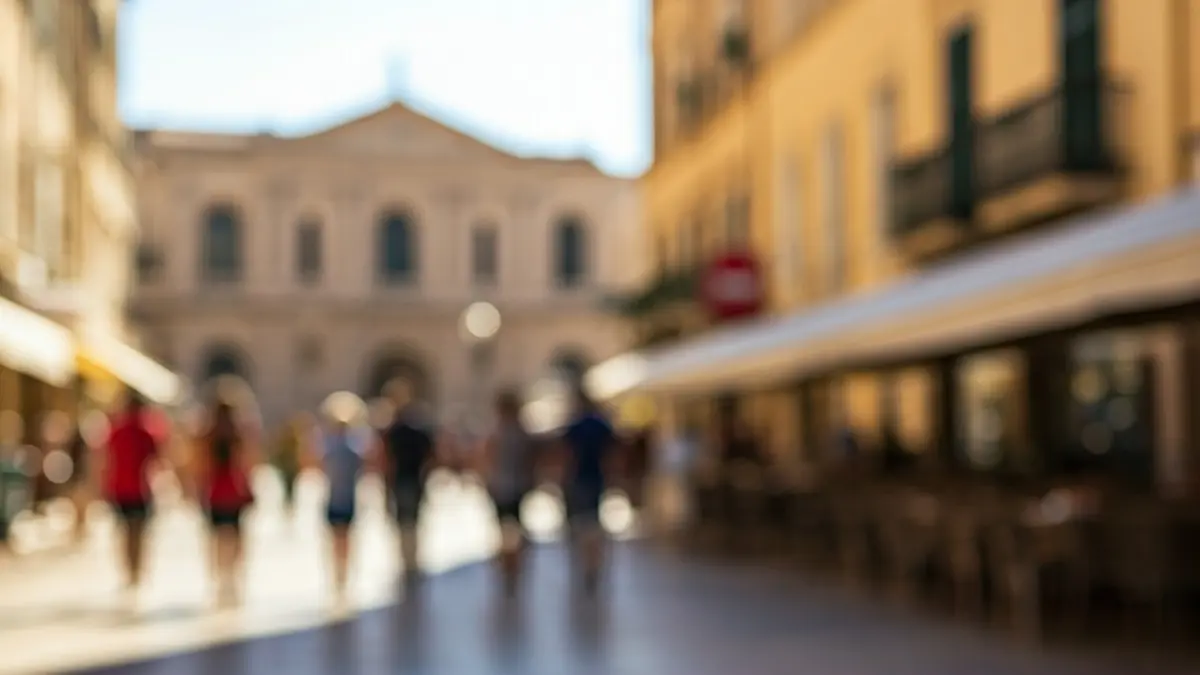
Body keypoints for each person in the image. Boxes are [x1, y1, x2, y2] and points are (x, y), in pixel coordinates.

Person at [99, 390, 165, 604]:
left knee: (125, 531)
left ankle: (128, 571)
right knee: (138, 532)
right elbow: (157, 460)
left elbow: (107, 460)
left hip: (120, 488)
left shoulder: (117, 431)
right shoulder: (146, 432)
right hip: (140, 489)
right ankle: (136, 570)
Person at [193, 399, 255, 606]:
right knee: (236, 536)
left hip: (215, 491)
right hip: (235, 491)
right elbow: (248, 461)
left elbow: (200, 463)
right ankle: (233, 576)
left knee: (216, 537)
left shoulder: (208, 434)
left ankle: (220, 576)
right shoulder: (239, 434)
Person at [560, 388, 619, 595]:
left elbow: (567, 455)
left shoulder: (575, 426)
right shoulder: (601, 425)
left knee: (581, 525)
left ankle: (587, 562)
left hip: (579, 480)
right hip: (596, 480)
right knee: (592, 523)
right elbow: (612, 454)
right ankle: (593, 563)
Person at [479, 389, 537, 596]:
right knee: (514, 526)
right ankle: (513, 563)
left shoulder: (498, 432)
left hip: (502, 485)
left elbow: (487, 458)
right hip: (516, 485)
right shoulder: (522, 432)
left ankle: (508, 563)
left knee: (505, 528)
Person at [312, 412, 374, 603]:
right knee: (343, 539)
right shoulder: (351, 448)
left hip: (339, 498)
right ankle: (341, 574)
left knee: (338, 539)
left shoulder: (333, 448)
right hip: (344, 498)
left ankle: (339, 574)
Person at [379, 382, 436, 586]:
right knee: (411, 522)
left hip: (404, 480)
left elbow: (387, 460)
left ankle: (408, 561)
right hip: (412, 480)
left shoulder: (395, 430)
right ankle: (410, 561)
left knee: (405, 522)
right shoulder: (415, 428)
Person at [273, 413, 309, 518]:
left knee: (292, 490)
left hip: (292, 471)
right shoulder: (283, 443)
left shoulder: (295, 442)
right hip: (286, 471)